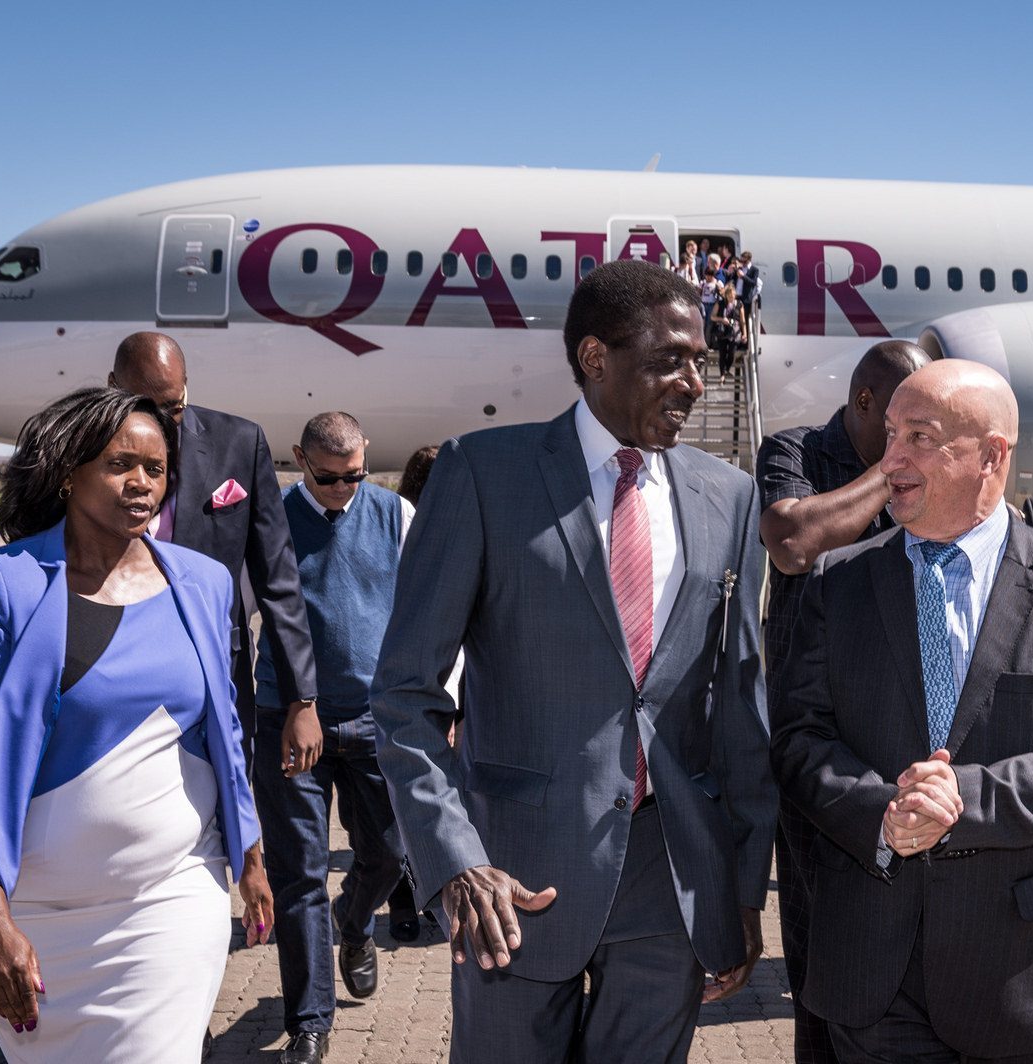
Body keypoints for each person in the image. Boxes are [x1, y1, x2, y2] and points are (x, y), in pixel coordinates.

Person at [372, 259, 775, 1063]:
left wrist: (741, 887)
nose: (695, 383)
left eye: (700, 360)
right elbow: (405, 695)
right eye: (670, 360)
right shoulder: (484, 475)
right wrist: (455, 861)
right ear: (595, 357)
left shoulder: (729, 497)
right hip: (513, 881)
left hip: (672, 880)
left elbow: (739, 705)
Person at [771, 359, 1033, 1062]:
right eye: (890, 434)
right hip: (870, 962)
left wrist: (962, 800)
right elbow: (798, 740)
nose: (891, 459)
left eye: (920, 437)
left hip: (1011, 964)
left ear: (991, 455)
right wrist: (882, 813)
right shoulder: (837, 581)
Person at [0, 387, 272, 1063]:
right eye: (120, 465)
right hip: (31, 913)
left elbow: (225, 727)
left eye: (156, 468)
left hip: (172, 894)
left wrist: (251, 852)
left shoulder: (204, 582)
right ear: (69, 474)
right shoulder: (3, 583)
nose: (142, 482)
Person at [756, 338, 928, 1064]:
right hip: (820, 753)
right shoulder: (794, 451)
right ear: (865, 402)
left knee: (914, 954)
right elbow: (795, 541)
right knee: (822, 964)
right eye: (904, 420)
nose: (920, 438)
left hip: (915, 745)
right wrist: (894, 470)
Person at [254, 413, 414, 1064]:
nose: (344, 489)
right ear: (299, 459)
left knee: (392, 853)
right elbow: (240, 611)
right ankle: (310, 1023)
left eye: (355, 476)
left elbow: (426, 609)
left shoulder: (396, 515)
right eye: (328, 479)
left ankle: (355, 924)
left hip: (376, 718)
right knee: (300, 876)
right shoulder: (269, 520)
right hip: (289, 719)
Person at [109, 333, 317, 769]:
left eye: (173, 406)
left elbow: (278, 577)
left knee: (224, 801)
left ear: (186, 385)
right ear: (113, 386)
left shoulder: (239, 442)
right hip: (110, 672)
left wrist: (302, 699)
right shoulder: (81, 451)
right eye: (144, 407)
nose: (161, 423)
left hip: (216, 674)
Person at [385, 441, 446, 944]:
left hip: (437, 688)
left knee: (416, 802)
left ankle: (417, 898)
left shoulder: (450, 532)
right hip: (419, 686)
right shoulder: (405, 532)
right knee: (413, 801)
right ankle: (411, 898)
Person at [712, 283, 743, 379]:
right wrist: (722, 319)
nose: (731, 298)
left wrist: (745, 334)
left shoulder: (739, 304)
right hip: (723, 331)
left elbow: (743, 321)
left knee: (731, 354)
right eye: (729, 296)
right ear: (726, 295)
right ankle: (722, 375)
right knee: (722, 353)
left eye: (733, 296)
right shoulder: (720, 303)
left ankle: (726, 370)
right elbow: (712, 317)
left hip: (734, 332)